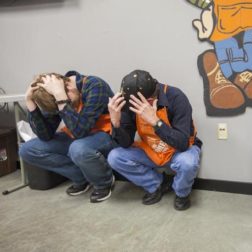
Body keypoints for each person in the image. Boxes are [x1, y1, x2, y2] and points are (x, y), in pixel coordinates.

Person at [107, 70, 202, 211]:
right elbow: (126, 143)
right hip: (151, 148)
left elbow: (182, 143)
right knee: (115, 157)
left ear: (150, 99)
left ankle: (181, 193)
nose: (134, 106)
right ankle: (157, 184)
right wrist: (115, 123)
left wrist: (155, 121)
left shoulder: (176, 97)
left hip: (178, 150)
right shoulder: (129, 101)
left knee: (188, 163)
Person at [19, 71, 115, 203]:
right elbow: (45, 135)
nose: (62, 106)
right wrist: (30, 102)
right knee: (27, 149)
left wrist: (61, 97)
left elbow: (81, 131)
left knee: (78, 148)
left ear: (68, 88)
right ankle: (82, 177)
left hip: (105, 135)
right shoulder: (54, 93)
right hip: (77, 136)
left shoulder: (95, 85)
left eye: (63, 101)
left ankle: (104, 182)